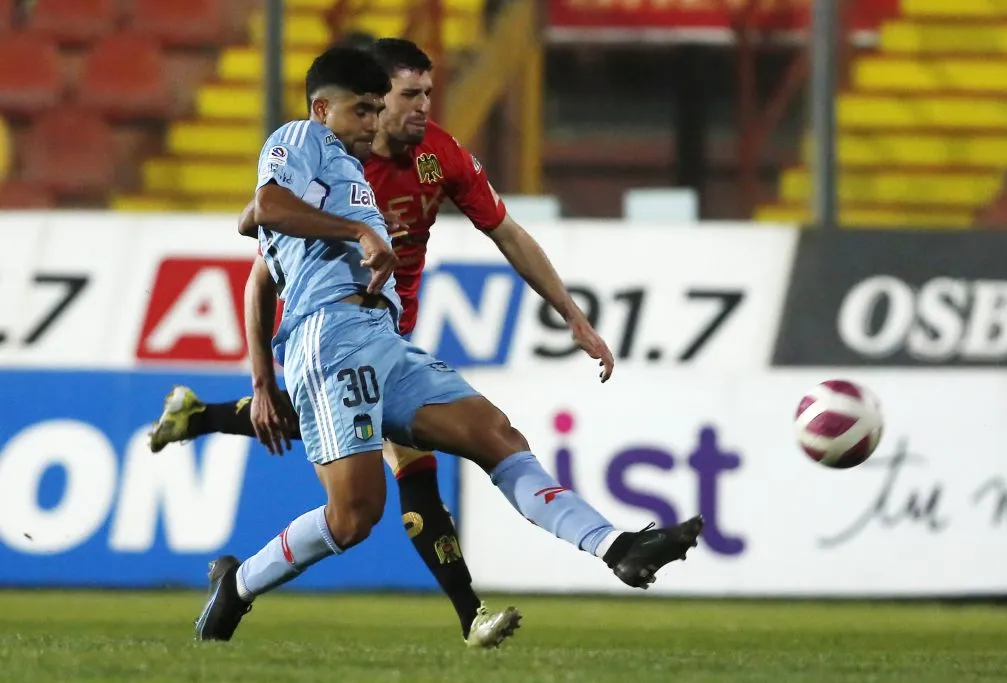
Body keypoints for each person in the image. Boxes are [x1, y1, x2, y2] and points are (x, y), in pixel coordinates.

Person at [186, 45, 703, 643]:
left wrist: (572, 315)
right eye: (368, 108)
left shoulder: (380, 161)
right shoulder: (300, 138)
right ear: (323, 108)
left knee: (497, 435)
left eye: (383, 107)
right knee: (355, 517)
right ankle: (239, 584)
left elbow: (261, 214)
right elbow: (269, 210)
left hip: (383, 336)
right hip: (328, 338)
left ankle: (618, 547)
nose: (378, 120)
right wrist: (347, 231)